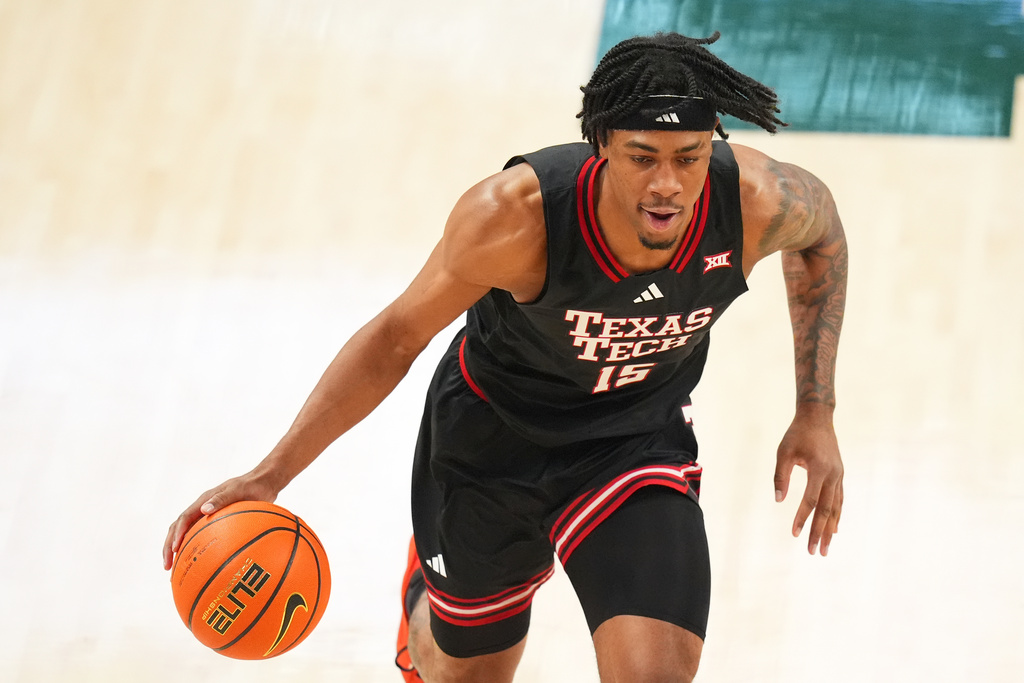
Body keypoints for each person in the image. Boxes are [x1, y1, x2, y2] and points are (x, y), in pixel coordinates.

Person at [163, 31, 847, 683]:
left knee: (657, 671)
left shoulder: (757, 202)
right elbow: (396, 337)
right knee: (463, 672)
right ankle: (422, 606)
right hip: (491, 445)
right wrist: (271, 473)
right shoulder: (514, 219)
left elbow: (823, 238)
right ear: (603, 142)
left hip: (632, 441)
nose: (668, 183)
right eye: (644, 157)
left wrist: (816, 410)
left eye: (688, 156)